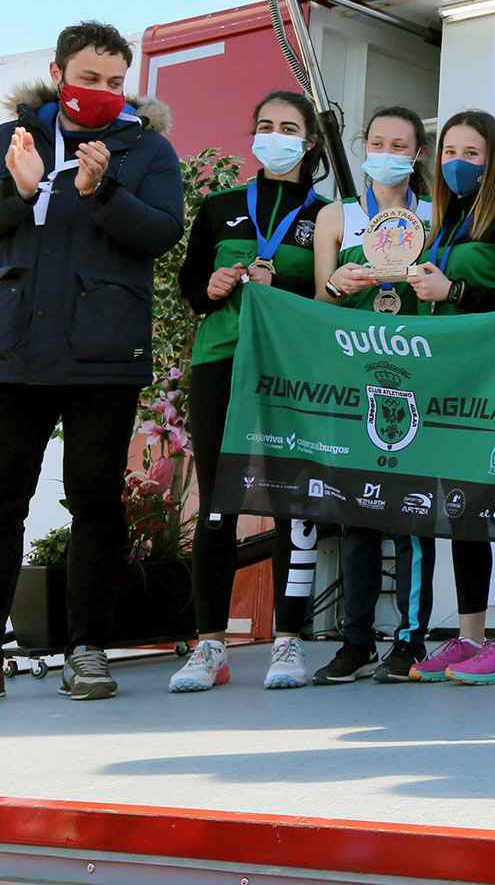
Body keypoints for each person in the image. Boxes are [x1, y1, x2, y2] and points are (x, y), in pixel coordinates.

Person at [0, 21, 185, 702]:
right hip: (14, 349)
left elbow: (163, 232)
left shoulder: (148, 149)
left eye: (115, 82)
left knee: (96, 501)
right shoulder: (12, 141)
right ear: (57, 72)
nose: (102, 93)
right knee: (3, 500)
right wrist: (18, 192)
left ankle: (87, 649)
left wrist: (102, 192)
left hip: (104, 354)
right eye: (89, 78)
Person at [171, 92, 332, 693]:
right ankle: (209, 645)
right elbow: (190, 285)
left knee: (295, 502)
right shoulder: (219, 207)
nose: (275, 136)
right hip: (221, 364)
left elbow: (327, 299)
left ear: (310, 141)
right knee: (217, 505)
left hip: (292, 371)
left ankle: (289, 640)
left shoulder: (326, 215)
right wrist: (211, 286)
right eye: (265, 126)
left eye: (289, 128)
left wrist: (281, 286)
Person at [377, 110, 495, 686]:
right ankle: (470, 636)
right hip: (447, 387)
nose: (458, 163)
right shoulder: (438, 224)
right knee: (461, 514)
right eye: (449, 152)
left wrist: (456, 290)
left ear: (493, 158)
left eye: (471, 153)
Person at [312, 106, 437, 684]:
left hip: (417, 378)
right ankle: (356, 639)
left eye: (401, 144)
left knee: (411, 512)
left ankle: (410, 640)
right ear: (365, 147)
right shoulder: (336, 216)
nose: (387, 151)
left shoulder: (435, 216)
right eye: (378, 141)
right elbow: (320, 306)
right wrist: (339, 282)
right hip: (354, 375)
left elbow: (450, 303)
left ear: (417, 154)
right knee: (356, 511)